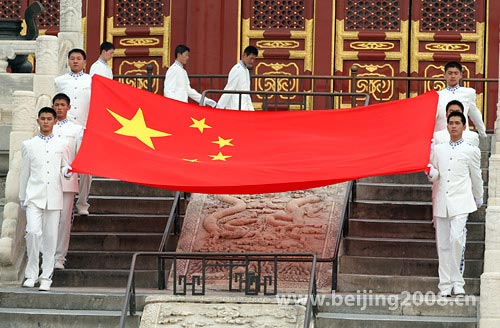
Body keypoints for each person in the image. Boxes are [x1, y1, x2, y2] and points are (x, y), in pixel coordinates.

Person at [427, 111, 483, 297]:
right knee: (442, 244)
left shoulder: (471, 150)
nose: (453, 126)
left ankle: (458, 283)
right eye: (451, 123)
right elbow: (436, 174)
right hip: (442, 201)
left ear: (464, 126)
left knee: (456, 239)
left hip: (462, 201)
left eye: (457, 123)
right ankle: (444, 285)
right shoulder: (439, 149)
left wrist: (479, 196)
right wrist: (429, 172)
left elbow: (476, 177)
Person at [19, 107, 72, 291]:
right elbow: (24, 172)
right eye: (43, 118)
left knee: (50, 238)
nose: (46, 122)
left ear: (55, 121)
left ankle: (46, 276)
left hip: (54, 196)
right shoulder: (29, 144)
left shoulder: (62, 143)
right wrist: (21, 197)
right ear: (38, 121)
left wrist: (67, 172)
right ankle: (31, 273)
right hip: (34, 195)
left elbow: (65, 167)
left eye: (49, 118)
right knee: (33, 233)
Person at [55, 48, 92, 215]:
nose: (75, 61)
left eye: (79, 58)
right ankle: (61, 199)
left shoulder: (91, 81)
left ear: (84, 62)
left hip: (84, 128)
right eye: (72, 58)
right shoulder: (59, 81)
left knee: (86, 169)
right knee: (62, 164)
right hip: (64, 128)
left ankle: (83, 203)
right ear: (68, 61)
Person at [52, 93, 84, 270]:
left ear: (68, 107)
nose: (59, 108)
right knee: (48, 220)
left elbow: (79, 155)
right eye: (56, 104)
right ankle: (47, 255)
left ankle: (60, 258)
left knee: (64, 220)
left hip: (67, 179)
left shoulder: (76, 129)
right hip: (47, 179)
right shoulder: (48, 125)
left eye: (62, 105)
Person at [435, 61, 487, 139]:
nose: (453, 76)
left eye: (456, 73)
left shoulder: (468, 93)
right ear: (444, 75)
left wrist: (482, 132)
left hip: (462, 136)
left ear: (460, 75)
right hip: (442, 136)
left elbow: (474, 113)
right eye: (450, 73)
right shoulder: (437, 95)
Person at [217, 45, 258, 111]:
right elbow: (229, 89)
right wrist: (219, 108)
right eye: (251, 58)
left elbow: (247, 92)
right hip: (235, 107)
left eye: (254, 59)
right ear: (244, 55)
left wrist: (251, 110)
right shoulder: (237, 69)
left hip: (244, 107)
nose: (252, 61)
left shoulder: (246, 70)